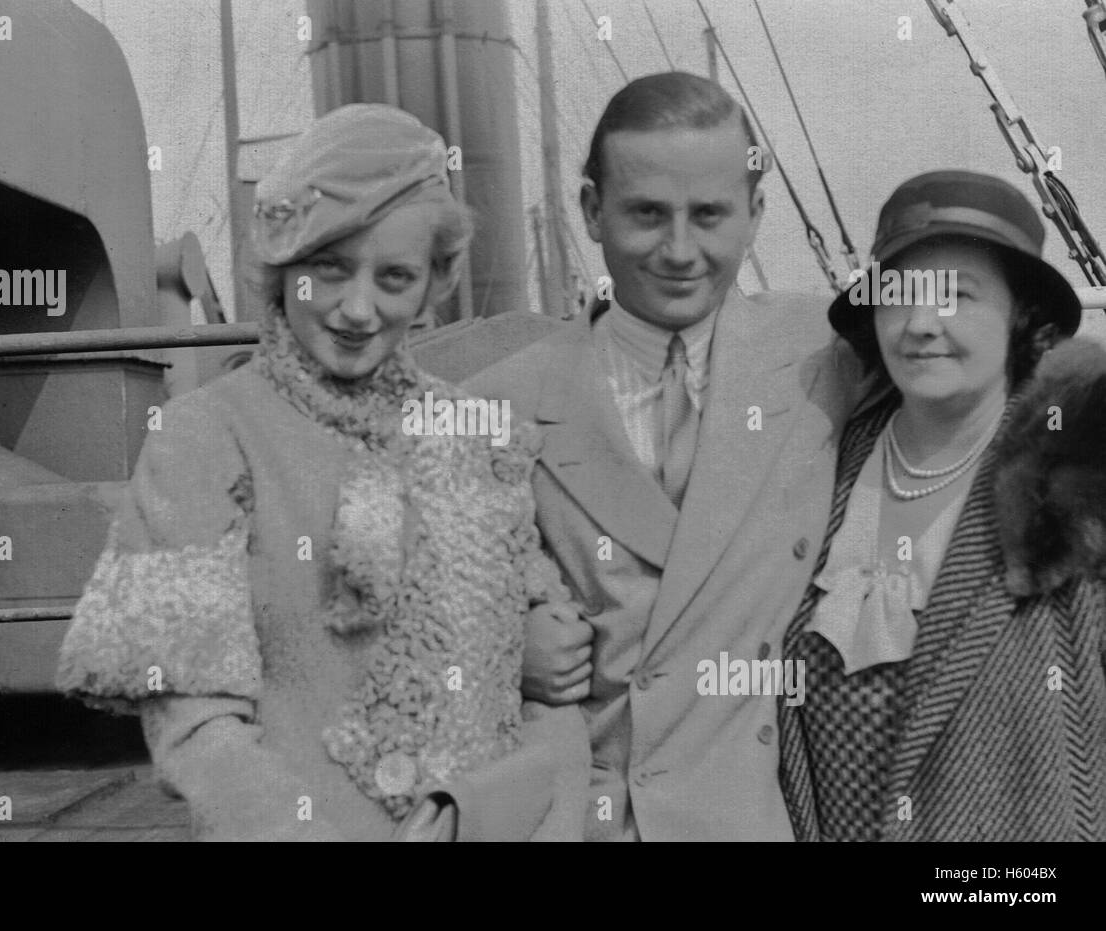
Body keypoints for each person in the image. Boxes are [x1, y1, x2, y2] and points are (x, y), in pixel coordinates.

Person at [56, 103, 589, 841]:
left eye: (395, 277)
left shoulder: (477, 433)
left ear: (435, 281)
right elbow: (198, 732)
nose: (359, 309)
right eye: (329, 270)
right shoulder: (205, 439)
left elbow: (552, 699)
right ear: (281, 267)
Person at [467, 71, 865, 841]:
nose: (680, 251)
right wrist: (500, 651)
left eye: (709, 215)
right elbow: (395, 617)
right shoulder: (496, 404)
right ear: (591, 210)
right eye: (647, 214)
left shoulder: (831, 355)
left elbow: (993, 385)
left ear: (754, 215)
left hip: (751, 815)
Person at [777, 170, 1106, 841]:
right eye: (900, 295)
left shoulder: (1075, 477)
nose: (922, 324)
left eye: (957, 295)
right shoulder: (822, 464)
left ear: (1022, 315)